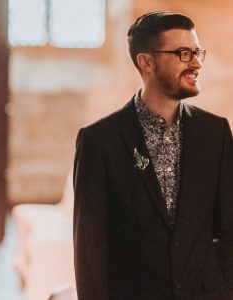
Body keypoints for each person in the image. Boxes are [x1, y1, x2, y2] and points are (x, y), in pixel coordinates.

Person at [73, 11, 233, 300]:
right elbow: (89, 251)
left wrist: (224, 289)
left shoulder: (216, 133)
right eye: (184, 53)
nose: (196, 63)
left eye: (197, 53)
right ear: (146, 62)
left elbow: (230, 226)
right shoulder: (99, 141)